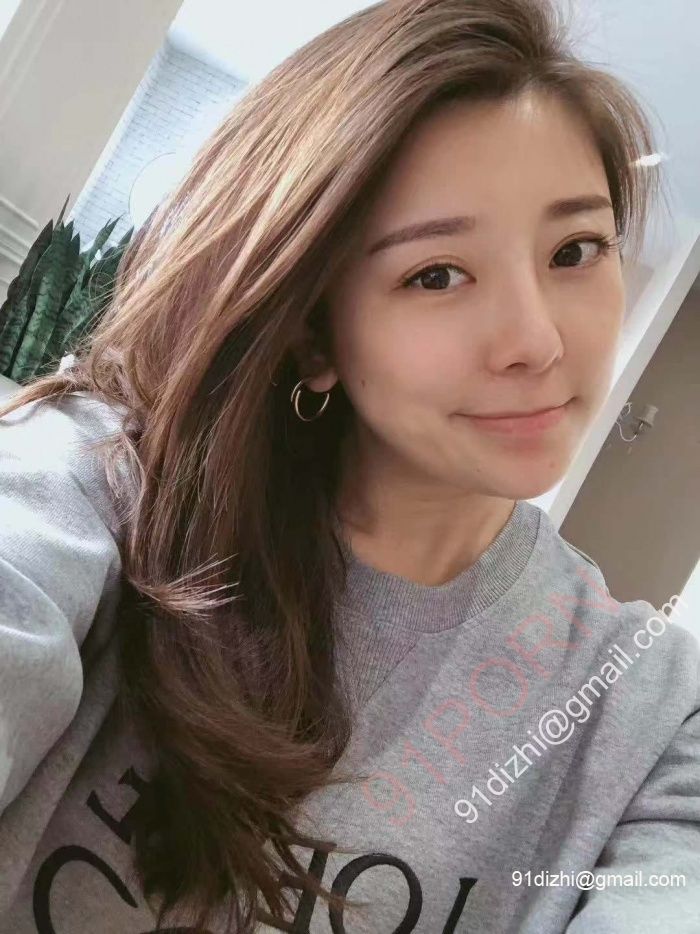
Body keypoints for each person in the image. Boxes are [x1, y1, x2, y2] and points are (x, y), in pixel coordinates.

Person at [0, 0, 698, 931]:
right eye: (436, 274)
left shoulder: (648, 709)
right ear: (314, 335)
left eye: (575, 250)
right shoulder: (94, 486)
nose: (538, 341)